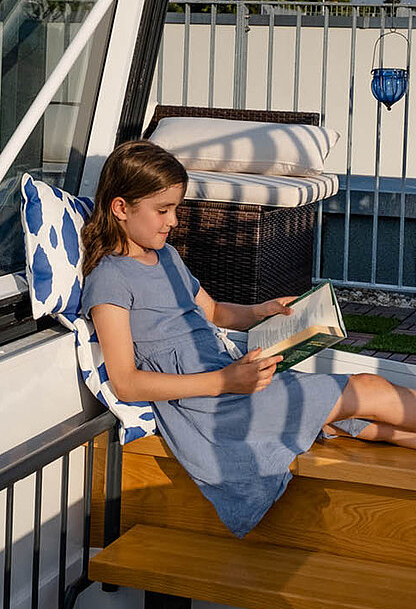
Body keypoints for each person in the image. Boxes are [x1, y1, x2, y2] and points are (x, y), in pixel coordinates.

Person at [81, 140, 416, 537]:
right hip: (210, 406)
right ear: (121, 208)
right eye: (162, 210)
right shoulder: (110, 280)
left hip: (228, 379)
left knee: (359, 420)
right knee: (369, 389)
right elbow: (127, 381)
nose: (172, 221)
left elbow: (214, 312)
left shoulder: (166, 256)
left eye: (175, 209)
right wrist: (225, 382)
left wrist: (263, 311)